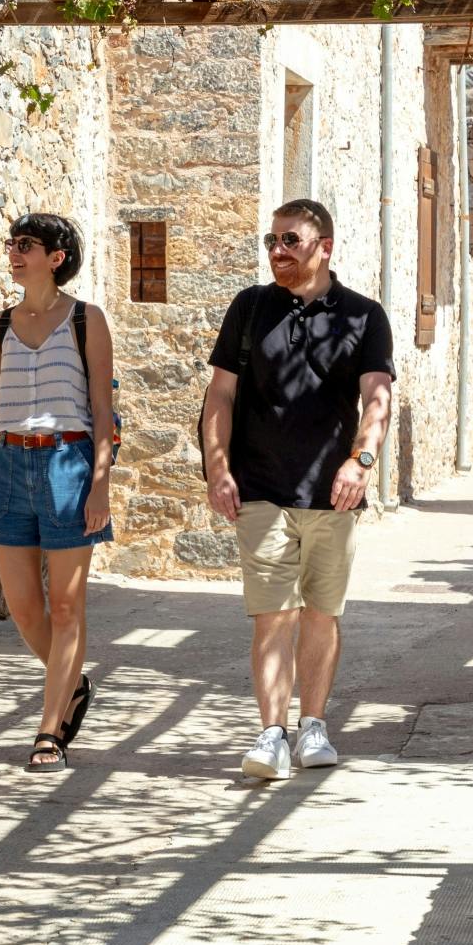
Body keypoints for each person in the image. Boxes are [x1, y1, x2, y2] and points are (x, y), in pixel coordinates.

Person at [201, 199, 395, 780]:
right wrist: (217, 467)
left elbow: (378, 396)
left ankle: (313, 724)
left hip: (332, 495)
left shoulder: (363, 316)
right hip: (260, 487)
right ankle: (270, 733)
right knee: (272, 615)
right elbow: (221, 395)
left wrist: (360, 463)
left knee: (320, 614)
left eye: (290, 241)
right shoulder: (251, 307)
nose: (277, 252)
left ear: (324, 246)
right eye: (272, 241)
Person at [0, 213, 115, 772]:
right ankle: (72, 684)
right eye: (12, 244)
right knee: (26, 611)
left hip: (67, 463)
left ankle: (49, 730)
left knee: (68, 604)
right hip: (6, 467)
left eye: (25, 245)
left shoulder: (85, 320)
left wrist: (100, 483)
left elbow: (104, 409)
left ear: (56, 257)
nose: (14, 252)